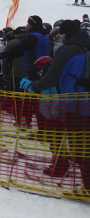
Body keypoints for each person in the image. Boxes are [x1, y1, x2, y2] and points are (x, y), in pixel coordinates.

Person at [21, 20, 90, 194]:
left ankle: (88, 188)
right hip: (83, 101)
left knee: (80, 147)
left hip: (76, 105)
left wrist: (33, 86)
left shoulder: (66, 50)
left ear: (64, 35)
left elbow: (53, 77)